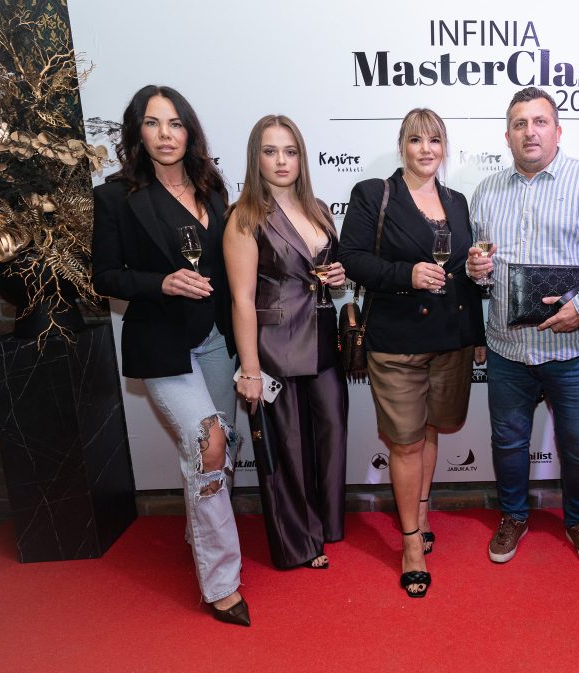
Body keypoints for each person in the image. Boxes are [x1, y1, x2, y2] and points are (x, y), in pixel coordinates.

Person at [92, 85, 249, 626]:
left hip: (217, 339)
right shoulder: (116, 196)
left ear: (189, 132)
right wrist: (161, 282)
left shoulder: (212, 187)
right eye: (153, 123)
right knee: (208, 444)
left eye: (176, 123)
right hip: (162, 344)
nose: (165, 134)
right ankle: (222, 583)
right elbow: (104, 276)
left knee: (220, 450)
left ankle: (200, 533)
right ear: (138, 132)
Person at [467, 87, 579, 574]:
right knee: (507, 443)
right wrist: (476, 271)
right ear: (507, 136)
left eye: (540, 122)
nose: (530, 132)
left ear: (558, 131)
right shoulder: (485, 191)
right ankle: (514, 515)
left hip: (574, 349)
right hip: (508, 349)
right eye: (520, 124)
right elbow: (480, 268)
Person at [339, 108, 485, 598]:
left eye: (435, 140)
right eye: (416, 139)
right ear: (402, 145)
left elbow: (461, 273)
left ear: (445, 147)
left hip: (450, 339)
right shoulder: (374, 194)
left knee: (430, 430)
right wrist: (407, 274)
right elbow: (351, 259)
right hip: (397, 341)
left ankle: (421, 515)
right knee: (404, 442)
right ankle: (409, 545)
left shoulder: (457, 201)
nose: (426, 149)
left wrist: (477, 280)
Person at [223, 115, 347, 571]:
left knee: (331, 438)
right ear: (256, 157)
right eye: (270, 151)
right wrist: (250, 369)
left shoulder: (319, 209)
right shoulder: (245, 216)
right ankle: (297, 543)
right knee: (289, 449)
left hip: (324, 345)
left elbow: (324, 274)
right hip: (276, 348)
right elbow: (241, 299)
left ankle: (325, 525)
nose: (281, 161)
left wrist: (338, 276)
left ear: (301, 158)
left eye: (290, 151)